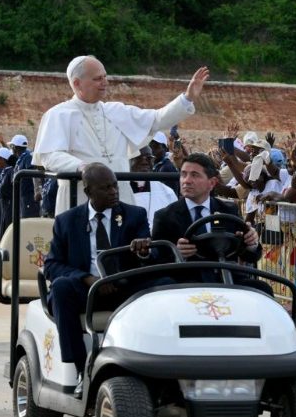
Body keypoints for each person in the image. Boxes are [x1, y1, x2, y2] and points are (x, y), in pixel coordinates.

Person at [43, 163, 166, 397]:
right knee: (60, 288)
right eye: (106, 188)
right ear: (88, 191)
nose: (113, 192)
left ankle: (161, 366)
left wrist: (144, 251)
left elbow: (151, 254)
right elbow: (52, 265)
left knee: (165, 284)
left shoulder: (134, 215)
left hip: (123, 288)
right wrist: (87, 279)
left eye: (115, 186)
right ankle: (81, 370)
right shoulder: (66, 221)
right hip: (86, 291)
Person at [33, 55, 209, 214]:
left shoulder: (116, 111)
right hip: (79, 198)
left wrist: (187, 97)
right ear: (77, 83)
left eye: (105, 77)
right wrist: (84, 168)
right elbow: (50, 156)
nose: (105, 82)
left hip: (119, 195)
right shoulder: (59, 115)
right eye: (97, 79)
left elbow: (157, 119)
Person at [151, 153, 272, 296]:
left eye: (195, 175)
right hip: (186, 284)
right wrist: (176, 254)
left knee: (263, 289)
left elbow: (249, 256)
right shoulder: (165, 216)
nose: (186, 181)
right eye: (183, 175)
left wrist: (251, 244)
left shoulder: (228, 210)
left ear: (212, 183)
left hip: (227, 278)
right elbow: (157, 261)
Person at [129, 146, 177, 230]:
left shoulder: (167, 192)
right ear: (128, 160)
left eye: (148, 158)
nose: (144, 162)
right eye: (138, 157)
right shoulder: (119, 191)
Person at [9, 134, 41, 218]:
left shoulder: (27, 157)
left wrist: (37, 191)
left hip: (28, 197)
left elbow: (34, 173)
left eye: (12, 146)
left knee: (27, 222)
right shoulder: (22, 158)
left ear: (15, 147)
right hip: (22, 196)